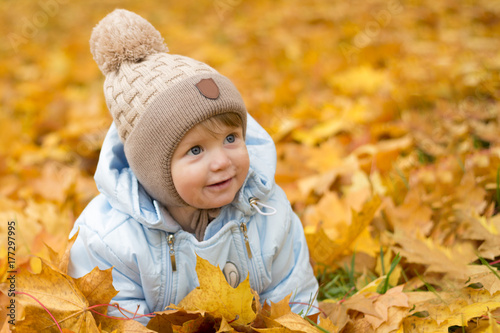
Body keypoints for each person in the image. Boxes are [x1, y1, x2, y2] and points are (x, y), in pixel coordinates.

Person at [68, 9, 319, 325]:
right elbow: (119, 321)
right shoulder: (108, 238)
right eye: (196, 150)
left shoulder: (268, 211)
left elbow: (294, 296)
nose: (222, 162)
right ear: (151, 170)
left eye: (231, 138)